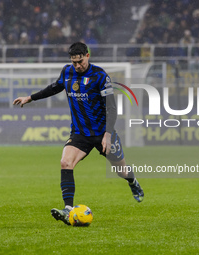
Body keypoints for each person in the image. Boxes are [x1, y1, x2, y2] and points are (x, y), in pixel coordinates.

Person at [13, 42, 144, 225]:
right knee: (65, 162)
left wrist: (107, 134)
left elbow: (111, 108)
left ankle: (133, 182)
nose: (77, 66)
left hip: (102, 132)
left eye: (80, 61)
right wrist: (30, 98)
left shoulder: (100, 76)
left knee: (121, 170)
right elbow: (54, 88)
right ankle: (68, 209)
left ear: (87, 56)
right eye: (74, 62)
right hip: (80, 133)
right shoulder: (67, 72)